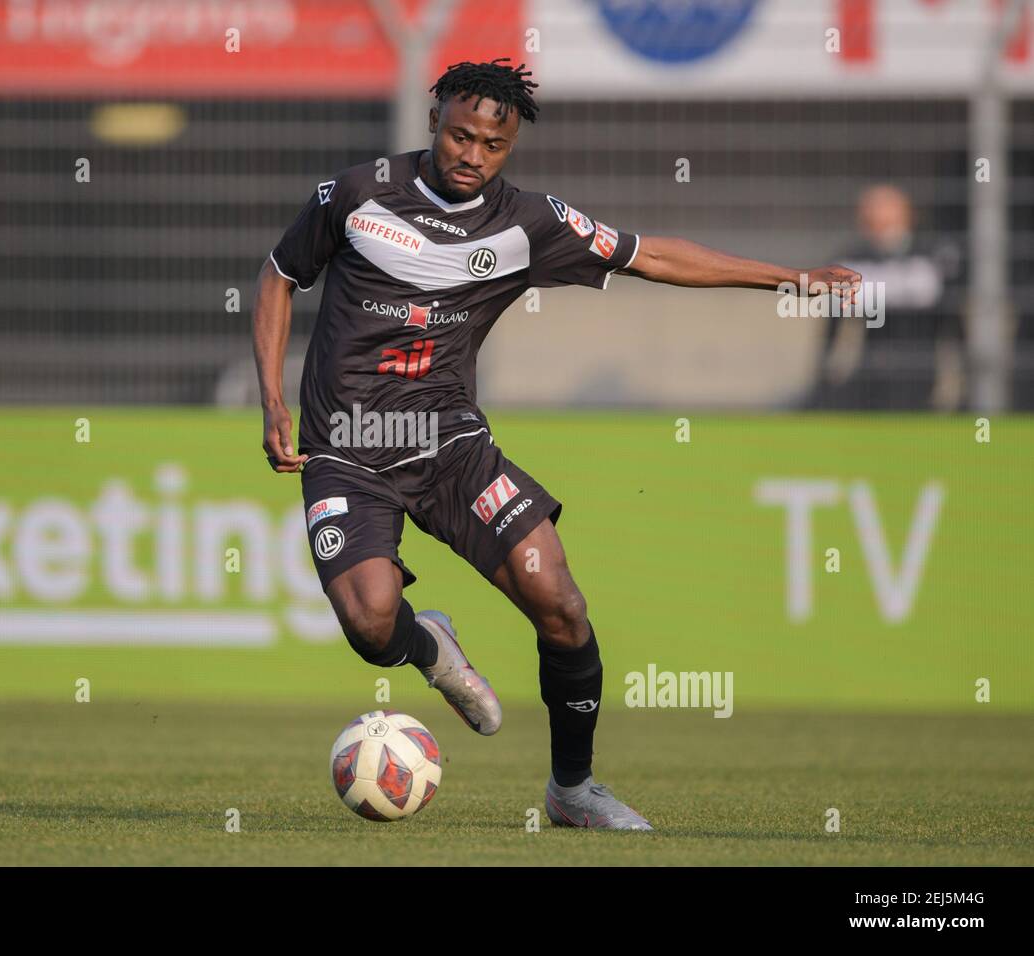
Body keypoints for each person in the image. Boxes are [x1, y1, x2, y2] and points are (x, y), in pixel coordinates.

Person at [252, 58, 860, 830]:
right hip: (346, 447)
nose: (473, 155)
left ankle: (572, 790)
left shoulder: (527, 223)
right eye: (461, 135)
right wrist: (273, 398)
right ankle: (429, 647)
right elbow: (277, 275)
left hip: (448, 445)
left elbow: (654, 255)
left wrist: (789, 279)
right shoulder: (356, 194)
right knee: (372, 626)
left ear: (510, 146)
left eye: (493, 144)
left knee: (560, 603)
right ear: (434, 120)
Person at [810, 184, 965, 410]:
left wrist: (962, 378)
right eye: (873, 220)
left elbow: (952, 322)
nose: (881, 227)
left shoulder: (932, 257)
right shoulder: (853, 259)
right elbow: (833, 323)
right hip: (870, 369)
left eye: (888, 219)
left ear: (909, 217)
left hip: (921, 370)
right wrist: (825, 375)